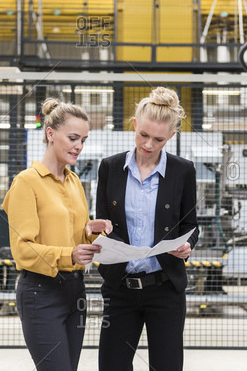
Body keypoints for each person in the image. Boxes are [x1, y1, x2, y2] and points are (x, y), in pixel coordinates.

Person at [3, 98, 112, 371]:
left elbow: (75, 239)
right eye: (73, 138)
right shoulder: (27, 183)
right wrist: (70, 254)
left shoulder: (74, 181)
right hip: (41, 292)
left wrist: (90, 233)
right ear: (50, 134)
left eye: (83, 140)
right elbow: (23, 250)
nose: (79, 146)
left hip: (75, 291)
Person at [96, 87, 199, 371]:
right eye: (143, 135)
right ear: (134, 125)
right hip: (120, 288)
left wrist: (187, 246)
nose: (149, 145)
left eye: (158, 139)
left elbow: (190, 225)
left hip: (165, 288)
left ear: (171, 137)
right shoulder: (110, 168)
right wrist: (102, 236)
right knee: (112, 366)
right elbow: (103, 222)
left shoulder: (183, 171)